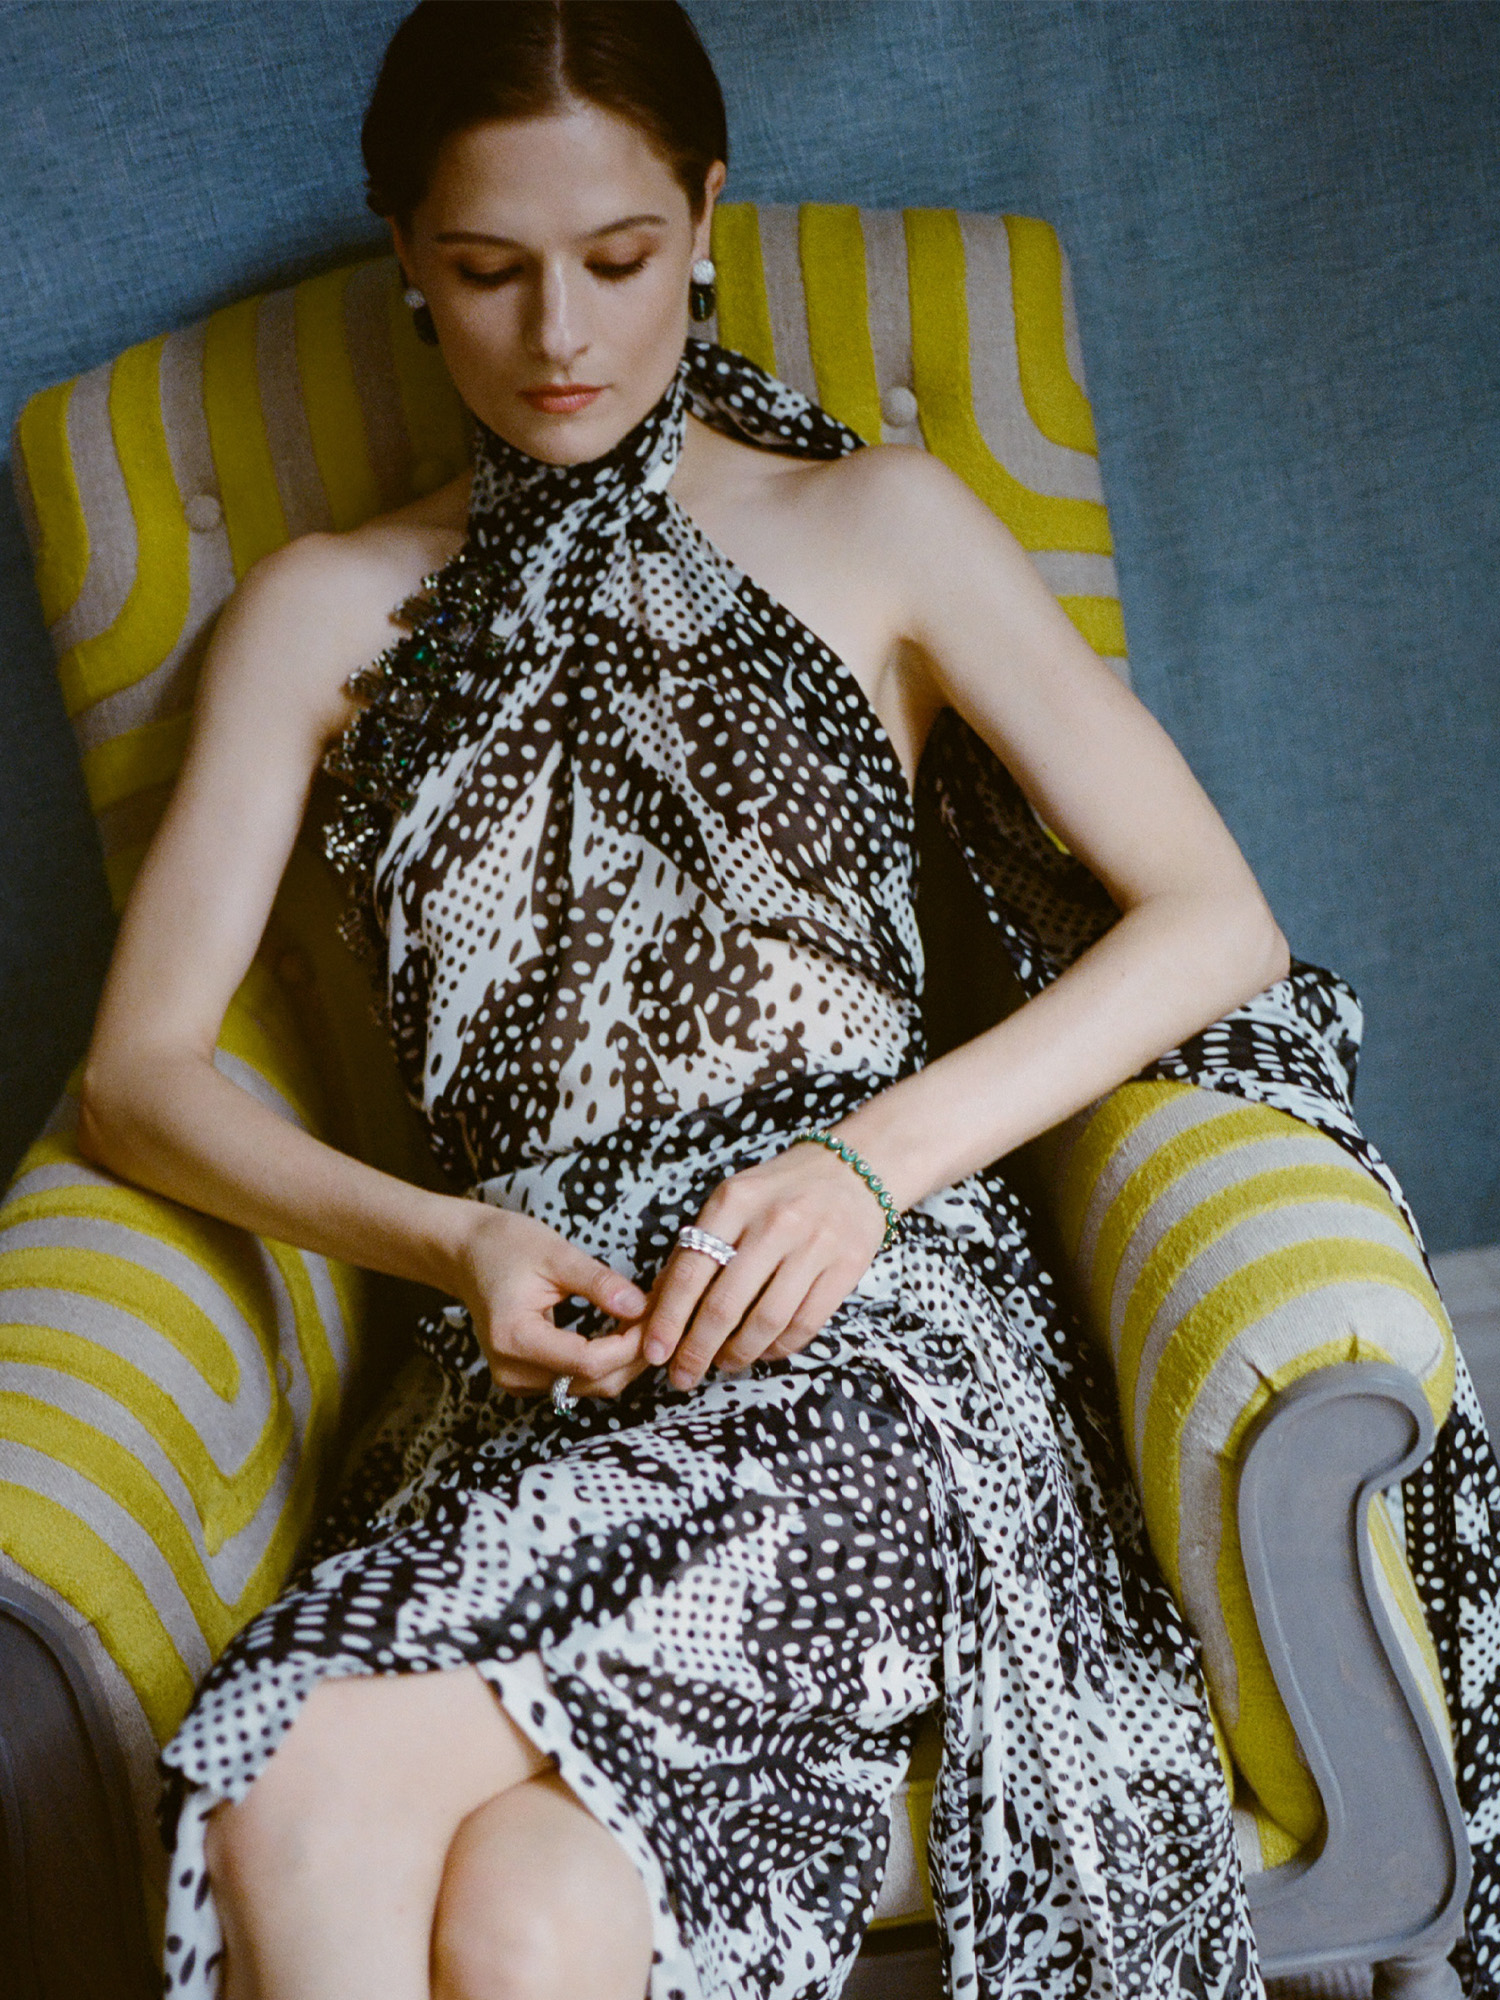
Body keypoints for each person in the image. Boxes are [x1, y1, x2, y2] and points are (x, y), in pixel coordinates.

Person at [72, 4, 1500, 1998]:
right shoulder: (315, 611)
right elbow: (138, 1078)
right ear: (406, 257)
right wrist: (451, 1234)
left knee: (299, 1772)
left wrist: (864, 1166)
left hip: (878, 1343)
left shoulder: (878, 524)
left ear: (708, 219)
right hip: (530, 1371)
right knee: (528, 1910)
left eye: (618, 257)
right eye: (486, 270)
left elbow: (1212, 921)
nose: (556, 332)